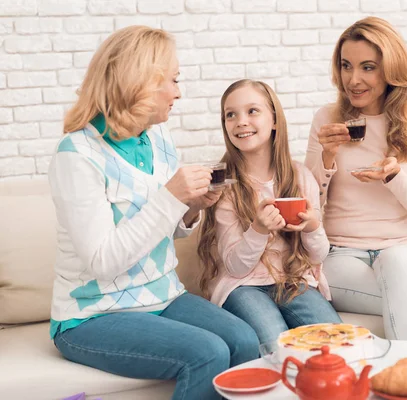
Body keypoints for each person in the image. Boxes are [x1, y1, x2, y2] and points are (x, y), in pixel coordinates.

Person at [48, 26, 258, 400]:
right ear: (141, 83)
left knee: (244, 340)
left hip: (163, 297)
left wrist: (190, 207)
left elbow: (169, 231)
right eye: (173, 80)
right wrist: (170, 198)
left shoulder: (157, 137)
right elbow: (102, 261)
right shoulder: (77, 155)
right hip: (93, 315)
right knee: (207, 354)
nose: (178, 92)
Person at [305, 16, 407, 341]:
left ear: (391, 70)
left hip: (401, 250)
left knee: (398, 266)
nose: (353, 79)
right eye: (346, 66)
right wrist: (326, 156)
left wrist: (394, 176)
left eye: (367, 67)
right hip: (341, 255)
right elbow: (307, 205)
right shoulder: (327, 119)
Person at [197, 79, 342, 345]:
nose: (241, 121)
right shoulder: (226, 186)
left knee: (334, 339)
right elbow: (235, 267)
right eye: (231, 114)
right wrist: (258, 230)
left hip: (292, 280)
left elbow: (318, 255)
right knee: (275, 342)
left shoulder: (300, 176)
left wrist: (312, 227)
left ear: (274, 120)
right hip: (242, 287)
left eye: (252, 111)